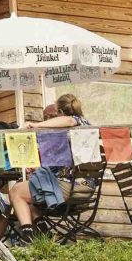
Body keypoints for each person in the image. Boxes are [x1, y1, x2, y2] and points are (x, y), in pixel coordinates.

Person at [14, 93, 85, 231]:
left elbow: (70, 121)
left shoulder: (76, 122)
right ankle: (41, 227)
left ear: (60, 113)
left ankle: (29, 234)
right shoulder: (83, 125)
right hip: (82, 183)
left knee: (16, 192)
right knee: (30, 185)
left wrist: (35, 125)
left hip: (71, 185)